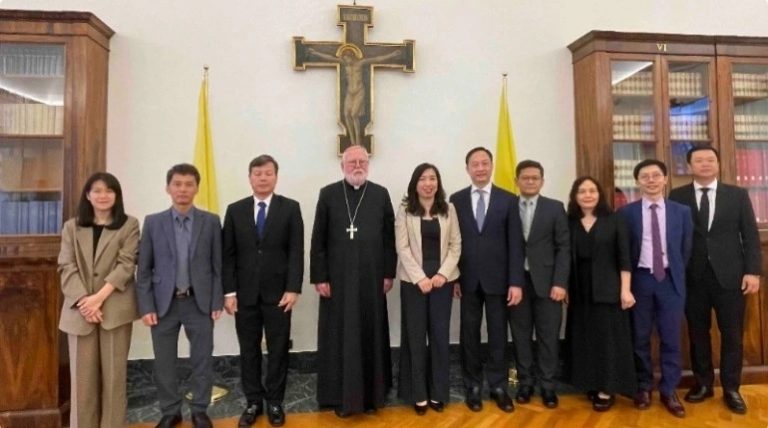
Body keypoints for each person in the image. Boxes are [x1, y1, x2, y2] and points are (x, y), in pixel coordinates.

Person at [669, 146, 761, 414]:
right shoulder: (677, 196)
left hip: (731, 277)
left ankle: (732, 388)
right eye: (699, 160)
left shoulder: (737, 195)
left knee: (732, 334)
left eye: (710, 159)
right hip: (693, 277)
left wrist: (753, 271)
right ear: (689, 166)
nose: (705, 164)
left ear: (719, 164)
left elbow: (750, 235)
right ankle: (703, 384)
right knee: (698, 334)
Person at [310, 145, 397, 417]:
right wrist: (319, 276)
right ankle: (338, 395)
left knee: (370, 330)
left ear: (368, 165)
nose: (357, 166)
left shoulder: (380, 194)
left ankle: (372, 395)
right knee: (339, 334)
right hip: (337, 281)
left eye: (362, 162)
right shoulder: (328, 194)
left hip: (372, 279)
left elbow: (389, 238)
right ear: (342, 166)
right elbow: (318, 239)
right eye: (352, 162)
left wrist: (388, 273)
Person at [136, 164, 224, 428]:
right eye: (177, 184)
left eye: (188, 184)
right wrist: (146, 306)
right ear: (168, 188)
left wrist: (217, 300)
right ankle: (170, 411)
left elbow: (218, 266)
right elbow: (144, 269)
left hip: (199, 301)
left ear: (197, 188)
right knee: (164, 362)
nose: (183, 189)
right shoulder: (153, 222)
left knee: (202, 360)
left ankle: (199, 410)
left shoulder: (210, 222)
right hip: (164, 304)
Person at [222, 155, 304, 427]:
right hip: (244, 294)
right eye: (257, 173)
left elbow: (296, 251)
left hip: (279, 294)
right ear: (250, 178)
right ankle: (253, 402)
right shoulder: (235, 210)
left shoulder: (290, 208)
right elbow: (228, 255)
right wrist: (229, 292)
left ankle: (275, 402)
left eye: (268, 173)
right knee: (249, 350)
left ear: (276, 177)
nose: (263, 178)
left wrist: (293, 288)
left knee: (278, 349)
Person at [58, 172, 140, 428]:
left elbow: (126, 265)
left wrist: (98, 299)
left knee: (114, 379)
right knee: (82, 381)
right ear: (88, 195)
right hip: (79, 311)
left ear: (117, 195)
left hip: (114, 310)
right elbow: (66, 266)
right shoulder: (71, 227)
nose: (103, 196)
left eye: (109, 191)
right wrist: (85, 301)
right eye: (97, 190)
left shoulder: (129, 225)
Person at [449, 147, 524, 413]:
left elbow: (516, 244)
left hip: (499, 281)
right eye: (475, 164)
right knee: (469, 334)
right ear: (467, 168)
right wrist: (454, 277)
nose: (480, 168)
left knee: (498, 334)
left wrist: (516, 282)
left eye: (484, 163)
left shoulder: (509, 199)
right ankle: (472, 386)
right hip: (467, 279)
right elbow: (452, 242)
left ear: (491, 166)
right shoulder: (456, 200)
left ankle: (498, 386)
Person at [618, 159, 692, 419]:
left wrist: (675, 272)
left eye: (656, 175)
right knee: (639, 337)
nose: (651, 180)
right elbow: (623, 251)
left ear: (665, 179)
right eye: (645, 176)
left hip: (670, 281)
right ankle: (643, 387)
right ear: (637, 181)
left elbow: (685, 249)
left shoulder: (681, 212)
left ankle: (669, 390)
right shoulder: (626, 213)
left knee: (671, 338)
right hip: (640, 280)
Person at [564, 176, 636, 412]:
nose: (587, 195)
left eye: (592, 190)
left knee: (607, 341)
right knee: (585, 339)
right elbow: (564, 258)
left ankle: (607, 389)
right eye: (582, 191)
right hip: (579, 291)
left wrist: (625, 289)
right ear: (575, 196)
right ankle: (591, 383)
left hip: (609, 289)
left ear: (600, 194)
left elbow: (624, 257)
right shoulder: (569, 222)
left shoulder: (614, 220)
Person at [395, 163, 461, 415]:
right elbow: (402, 248)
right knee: (415, 337)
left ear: (438, 183)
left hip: (442, 283)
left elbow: (456, 245)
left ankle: (437, 392)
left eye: (432, 178)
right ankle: (418, 394)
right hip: (414, 284)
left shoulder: (449, 209)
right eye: (423, 179)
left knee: (439, 337)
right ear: (415, 184)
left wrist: (443, 274)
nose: (428, 183)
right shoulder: (405, 210)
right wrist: (420, 278)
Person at [508, 159, 570, 409]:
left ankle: (548, 386)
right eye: (525, 177)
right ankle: (524, 383)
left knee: (548, 337)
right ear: (517, 181)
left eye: (535, 178)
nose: (530, 181)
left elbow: (564, 247)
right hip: (517, 283)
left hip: (548, 284)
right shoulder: (508, 207)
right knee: (520, 336)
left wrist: (560, 282)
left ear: (542, 181)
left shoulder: (555, 207)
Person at [306, 44, 401, 148]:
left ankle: (358, 140)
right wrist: (315, 53)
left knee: (354, 114)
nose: (346, 61)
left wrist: (392, 55)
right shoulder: (345, 63)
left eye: (347, 58)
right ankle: (352, 141)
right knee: (346, 114)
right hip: (349, 92)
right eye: (344, 59)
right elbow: (330, 58)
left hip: (359, 91)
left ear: (352, 56)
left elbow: (376, 59)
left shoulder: (360, 63)